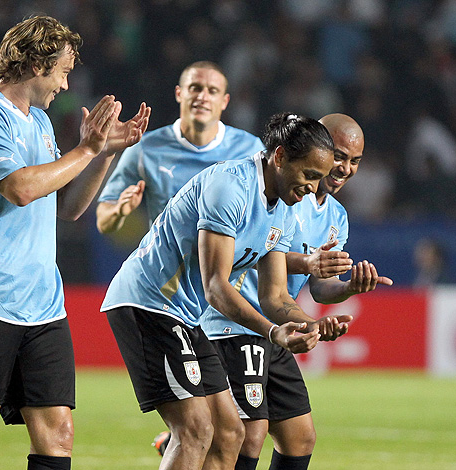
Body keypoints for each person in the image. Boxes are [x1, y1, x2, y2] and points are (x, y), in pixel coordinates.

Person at [0, 16, 150, 470]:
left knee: (58, 436)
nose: (65, 85)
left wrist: (104, 152)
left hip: (44, 305)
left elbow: (68, 208)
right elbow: (21, 188)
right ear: (37, 63)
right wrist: (84, 150)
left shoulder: (41, 124)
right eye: (63, 71)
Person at [101, 112, 348, 470]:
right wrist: (273, 332)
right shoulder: (230, 185)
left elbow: (275, 297)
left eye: (319, 179)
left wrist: (311, 325)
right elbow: (216, 287)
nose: (313, 188)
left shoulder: (283, 210)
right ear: (279, 157)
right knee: (195, 428)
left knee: (231, 432)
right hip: (149, 302)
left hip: (186, 316)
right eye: (309, 175)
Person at [199, 113, 394, 470]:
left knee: (300, 437)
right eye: (338, 155)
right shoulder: (287, 189)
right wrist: (308, 262)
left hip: (279, 324)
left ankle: (191, 444)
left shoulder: (336, 216)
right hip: (240, 322)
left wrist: (349, 287)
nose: (345, 168)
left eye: (355, 161)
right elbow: (257, 250)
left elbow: (319, 290)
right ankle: (191, 446)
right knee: (249, 433)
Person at [96, 61, 264, 233]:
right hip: (167, 260)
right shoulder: (145, 149)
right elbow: (103, 222)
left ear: (224, 101)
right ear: (179, 93)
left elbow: (274, 214)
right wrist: (119, 211)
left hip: (231, 260)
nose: (202, 97)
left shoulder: (250, 150)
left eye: (212, 91)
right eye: (195, 88)